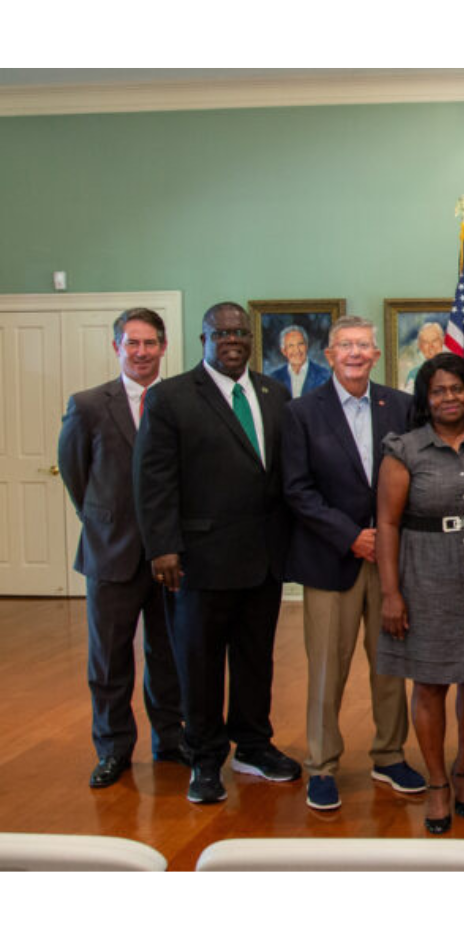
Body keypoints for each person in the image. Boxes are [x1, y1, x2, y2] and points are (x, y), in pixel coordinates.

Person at [134, 302, 300, 805]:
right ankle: (204, 758)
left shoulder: (274, 393)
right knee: (200, 664)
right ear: (203, 339)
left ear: (252, 340)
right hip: (199, 562)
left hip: (263, 559)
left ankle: (252, 744)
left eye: (240, 332)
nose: (232, 340)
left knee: (255, 660)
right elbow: (152, 479)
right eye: (221, 332)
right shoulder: (171, 398)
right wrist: (162, 546)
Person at [281, 315, 425, 811]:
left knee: (389, 665)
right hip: (330, 562)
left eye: (364, 345)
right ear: (329, 355)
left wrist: (385, 541)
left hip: (391, 565)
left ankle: (389, 755)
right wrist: (352, 537)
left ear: (376, 354)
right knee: (327, 670)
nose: (356, 353)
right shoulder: (301, 412)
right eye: (346, 346)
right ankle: (321, 765)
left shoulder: (402, 407)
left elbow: (416, 477)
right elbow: (296, 490)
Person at [57, 308, 188, 789]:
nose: (141, 352)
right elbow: (76, 474)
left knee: (168, 653)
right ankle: (113, 749)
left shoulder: (178, 401)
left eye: (150, 343)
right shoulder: (89, 404)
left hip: (170, 556)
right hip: (110, 554)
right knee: (109, 659)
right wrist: (104, 521)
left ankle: (170, 739)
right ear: (117, 348)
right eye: (132, 343)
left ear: (164, 346)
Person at [377, 352, 464, 834]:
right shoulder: (404, 449)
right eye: (438, 391)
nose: (449, 398)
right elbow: (386, 524)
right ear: (424, 400)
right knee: (429, 683)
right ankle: (435, 783)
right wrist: (391, 593)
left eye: (457, 389)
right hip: (424, 573)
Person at [267, 325, 331, 398]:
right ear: (284, 351)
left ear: (306, 346)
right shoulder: (275, 378)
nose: (297, 350)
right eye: (291, 346)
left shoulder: (324, 375)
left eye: (300, 344)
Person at [402, 322, 445, 391]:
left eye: (434, 341)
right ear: (420, 346)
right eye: (425, 342)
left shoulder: (453, 370)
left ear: (442, 342)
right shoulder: (414, 375)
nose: (431, 346)